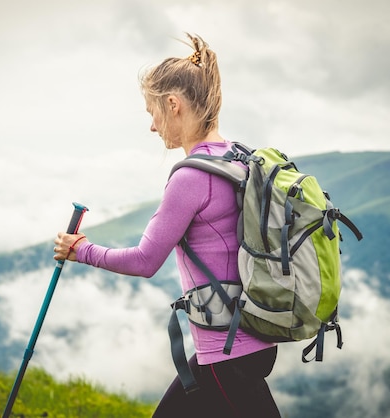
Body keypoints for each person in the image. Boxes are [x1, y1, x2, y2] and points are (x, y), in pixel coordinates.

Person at [54, 33, 281, 418]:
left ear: (173, 105)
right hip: (253, 339)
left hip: (227, 355)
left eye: (152, 112)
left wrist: (80, 250)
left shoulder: (191, 178)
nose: (153, 126)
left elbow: (145, 261)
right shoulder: (238, 157)